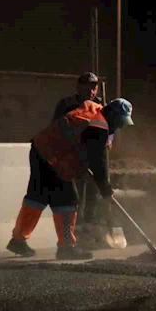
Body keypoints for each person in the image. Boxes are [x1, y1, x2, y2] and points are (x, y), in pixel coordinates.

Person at [6, 98, 135, 260]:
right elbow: (98, 162)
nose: (120, 126)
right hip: (53, 157)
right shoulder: (99, 127)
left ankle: (17, 240)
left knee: (37, 196)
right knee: (68, 200)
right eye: (120, 122)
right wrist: (105, 188)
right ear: (113, 115)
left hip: (40, 149)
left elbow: (80, 142)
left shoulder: (93, 111)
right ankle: (67, 247)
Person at [52, 72, 113, 238]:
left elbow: (109, 127)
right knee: (78, 189)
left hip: (96, 152)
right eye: (87, 87)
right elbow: (56, 128)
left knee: (98, 186)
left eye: (94, 88)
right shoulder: (67, 105)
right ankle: (75, 228)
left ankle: (92, 225)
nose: (91, 91)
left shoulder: (101, 105)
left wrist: (109, 137)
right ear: (79, 88)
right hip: (75, 152)